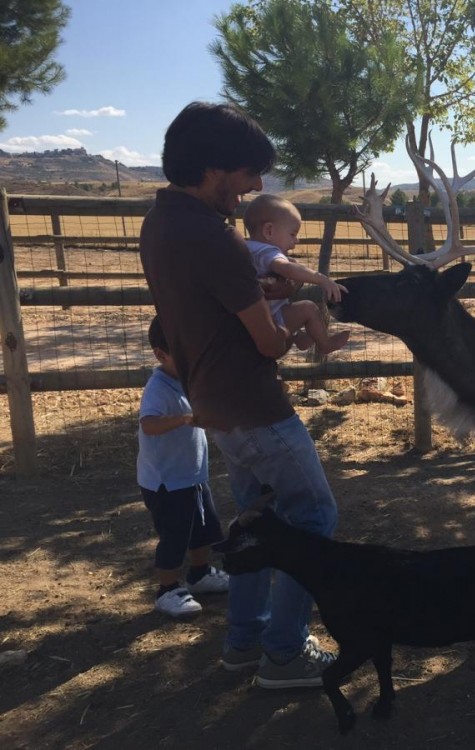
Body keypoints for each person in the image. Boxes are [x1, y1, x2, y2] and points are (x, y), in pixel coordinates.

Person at [139, 101, 340, 689]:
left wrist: (262, 293)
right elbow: (269, 344)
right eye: (250, 173)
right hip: (255, 404)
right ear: (213, 169)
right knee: (314, 516)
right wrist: (295, 327)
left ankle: (245, 641)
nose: (255, 188)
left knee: (257, 523)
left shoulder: (160, 224)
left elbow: (211, 303)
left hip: (213, 406)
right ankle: (285, 652)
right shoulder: (216, 238)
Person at [138, 316, 229, 619]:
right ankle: (167, 590)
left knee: (204, 528)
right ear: (160, 355)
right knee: (175, 534)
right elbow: (149, 424)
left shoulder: (186, 379)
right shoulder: (158, 388)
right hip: (167, 481)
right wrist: (184, 419)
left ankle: (199, 574)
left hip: (193, 476)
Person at [242, 193, 350, 355]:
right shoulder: (268, 251)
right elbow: (287, 269)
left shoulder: (247, 247)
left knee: (293, 308)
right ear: (269, 231)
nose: (296, 241)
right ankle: (325, 344)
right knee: (309, 308)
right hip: (272, 318)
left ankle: (298, 337)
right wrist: (321, 279)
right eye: (292, 234)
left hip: (256, 317)